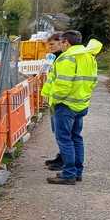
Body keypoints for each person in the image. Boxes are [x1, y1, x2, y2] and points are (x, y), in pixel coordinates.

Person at [40, 31, 102, 185]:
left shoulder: (67, 58)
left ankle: (68, 174)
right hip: (80, 103)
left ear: (66, 42)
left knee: (65, 139)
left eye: (60, 42)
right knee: (76, 138)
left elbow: (62, 85)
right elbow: (93, 81)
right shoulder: (89, 56)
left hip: (65, 105)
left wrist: (54, 100)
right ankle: (77, 172)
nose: (59, 45)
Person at [42, 33, 65, 170]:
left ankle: (64, 160)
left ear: (61, 43)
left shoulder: (62, 59)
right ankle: (61, 156)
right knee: (57, 132)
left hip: (60, 101)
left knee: (63, 133)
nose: (49, 47)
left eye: (52, 44)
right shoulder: (54, 59)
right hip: (54, 100)